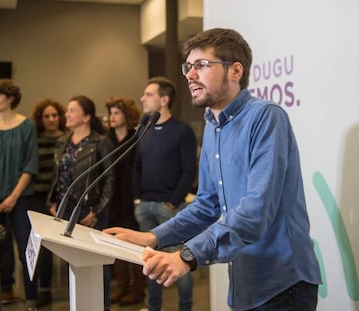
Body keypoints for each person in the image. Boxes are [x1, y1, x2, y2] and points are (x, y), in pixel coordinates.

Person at [104, 28, 322, 311]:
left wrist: (186, 255)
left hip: (283, 283)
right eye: (188, 67)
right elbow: (206, 206)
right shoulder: (213, 127)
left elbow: (255, 212)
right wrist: (154, 236)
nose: (190, 75)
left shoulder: (266, 117)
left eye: (202, 65)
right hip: (245, 282)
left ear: (235, 71)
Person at [131, 76, 198, 311]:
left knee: (180, 262)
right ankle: (154, 308)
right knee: (150, 263)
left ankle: (185, 308)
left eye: (148, 94)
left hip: (169, 208)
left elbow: (190, 170)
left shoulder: (182, 131)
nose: (142, 98)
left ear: (164, 100)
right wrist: (138, 197)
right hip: (145, 205)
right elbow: (137, 165)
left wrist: (172, 201)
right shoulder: (144, 129)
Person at [46, 95, 114, 311]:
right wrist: (53, 201)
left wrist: (97, 210)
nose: (67, 114)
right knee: (74, 262)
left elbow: (110, 179)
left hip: (90, 210)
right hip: (65, 210)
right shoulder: (63, 141)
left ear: (86, 117)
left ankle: (102, 306)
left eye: (72, 110)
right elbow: (57, 175)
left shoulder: (100, 143)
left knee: (97, 265)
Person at [0, 79, 39, 311]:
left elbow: (30, 165)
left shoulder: (27, 126)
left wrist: (13, 197)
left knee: (25, 248)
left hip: (21, 197)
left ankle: (32, 296)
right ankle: (5, 289)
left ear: (9, 98)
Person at [105, 97, 147, 306]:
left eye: (116, 113)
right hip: (113, 197)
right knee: (117, 239)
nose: (112, 117)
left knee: (135, 240)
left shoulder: (137, 137)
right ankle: (121, 284)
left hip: (132, 194)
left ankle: (138, 287)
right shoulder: (107, 139)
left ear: (127, 116)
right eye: (110, 113)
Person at [31, 98, 67, 307]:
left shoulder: (66, 139)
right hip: (37, 197)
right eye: (46, 116)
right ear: (40, 119)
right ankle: (44, 289)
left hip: (59, 198)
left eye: (54, 115)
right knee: (41, 245)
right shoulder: (35, 139)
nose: (51, 119)